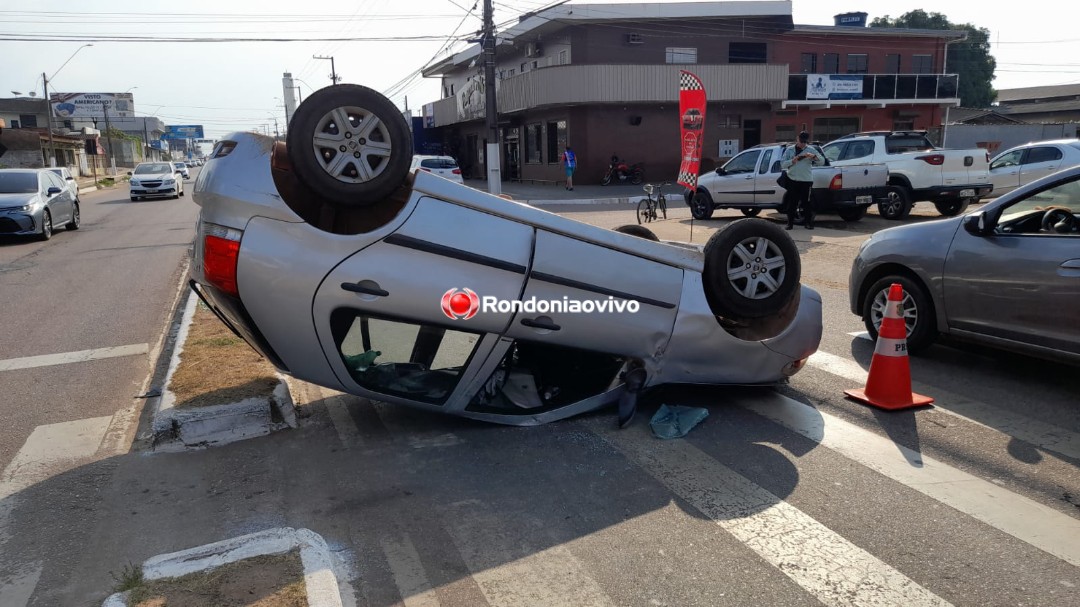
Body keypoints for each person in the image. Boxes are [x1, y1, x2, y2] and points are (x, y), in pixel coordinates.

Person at [780, 131, 824, 230]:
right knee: (792, 202)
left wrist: (813, 157)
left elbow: (822, 161)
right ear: (797, 139)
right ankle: (789, 223)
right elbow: (782, 164)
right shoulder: (789, 150)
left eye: (804, 142)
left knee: (806, 202)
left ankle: (808, 223)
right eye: (801, 141)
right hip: (792, 179)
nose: (802, 144)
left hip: (806, 180)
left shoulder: (811, 149)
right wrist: (792, 160)